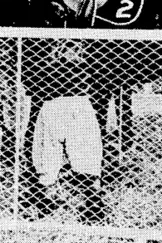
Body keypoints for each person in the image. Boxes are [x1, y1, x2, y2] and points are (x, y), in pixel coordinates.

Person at [23, 40, 105, 224]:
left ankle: (49, 195)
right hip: (74, 100)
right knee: (83, 153)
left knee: (49, 153)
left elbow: (30, 79)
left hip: (56, 100)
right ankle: (89, 198)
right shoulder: (84, 33)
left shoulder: (43, 34)